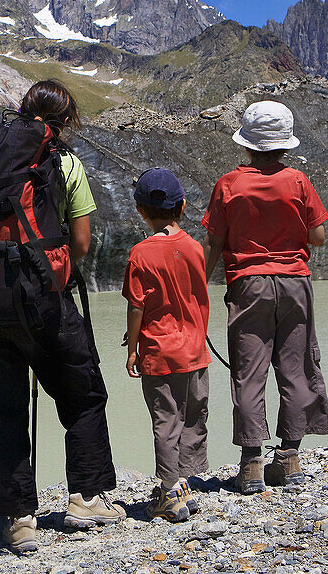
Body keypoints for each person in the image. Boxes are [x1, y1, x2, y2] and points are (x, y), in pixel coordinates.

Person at [0, 80, 124, 554]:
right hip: (41, 302)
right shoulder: (63, 164)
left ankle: (18, 520)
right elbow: (82, 242)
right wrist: (53, 275)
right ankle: (85, 499)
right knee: (84, 393)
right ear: (65, 119)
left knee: (4, 410)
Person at [201, 100, 328, 495]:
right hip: (294, 284)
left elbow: (213, 242)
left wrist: (198, 289)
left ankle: (252, 464)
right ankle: (289, 459)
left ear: (247, 144)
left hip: (248, 285)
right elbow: (318, 236)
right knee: (296, 367)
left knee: (249, 372)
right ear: (284, 144)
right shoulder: (298, 182)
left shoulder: (228, 185)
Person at [122, 168, 211, 522]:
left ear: (141, 211)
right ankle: (186, 483)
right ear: (183, 206)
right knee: (192, 416)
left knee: (165, 419)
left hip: (159, 353)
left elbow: (136, 305)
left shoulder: (140, 254)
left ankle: (169, 491)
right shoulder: (194, 248)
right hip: (195, 350)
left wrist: (132, 348)